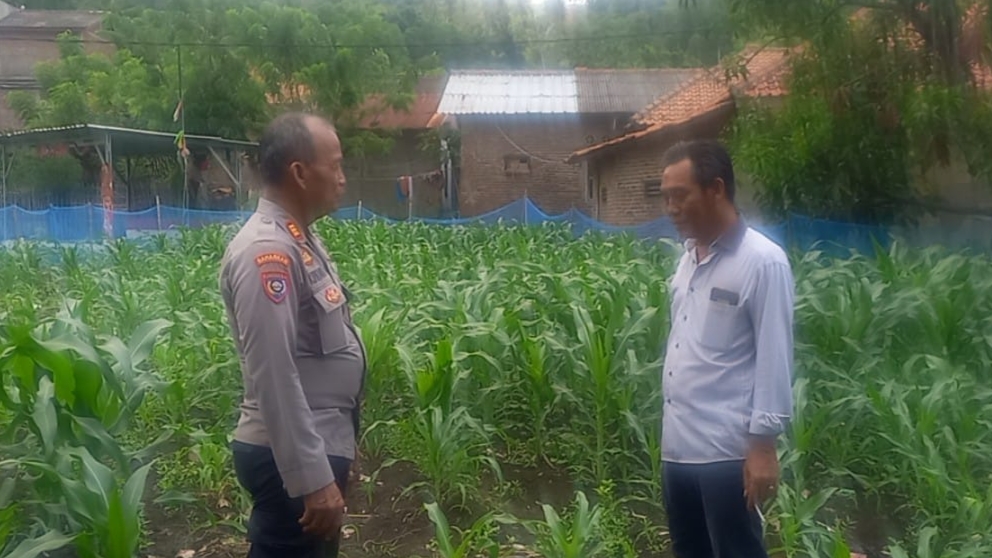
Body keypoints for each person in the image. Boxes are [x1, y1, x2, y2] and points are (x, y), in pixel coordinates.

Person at [219, 112, 366, 558]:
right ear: (300, 173)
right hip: (289, 461)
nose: (342, 178)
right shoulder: (268, 251)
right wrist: (312, 477)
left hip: (315, 443)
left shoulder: (299, 240)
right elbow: (274, 373)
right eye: (335, 165)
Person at [658, 139, 795, 558]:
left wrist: (763, 446)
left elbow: (774, 354)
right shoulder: (687, 260)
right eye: (666, 198)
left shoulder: (763, 262)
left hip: (725, 452)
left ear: (716, 189)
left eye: (680, 196)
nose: (671, 208)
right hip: (677, 449)